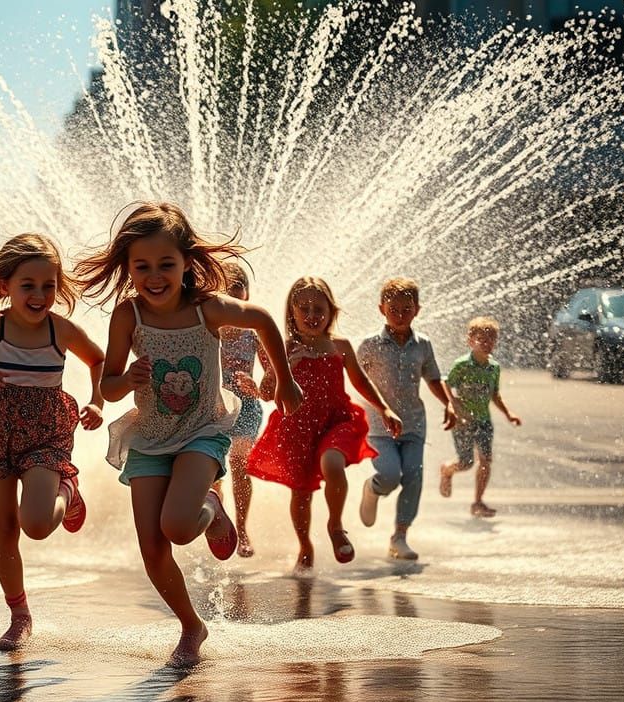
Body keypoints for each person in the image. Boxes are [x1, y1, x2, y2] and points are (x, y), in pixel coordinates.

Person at [75, 201, 303, 668]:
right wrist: (127, 380)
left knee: (177, 527)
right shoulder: (128, 316)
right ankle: (191, 626)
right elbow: (110, 384)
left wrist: (284, 379)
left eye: (166, 264)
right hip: (150, 437)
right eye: (142, 266)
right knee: (152, 548)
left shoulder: (207, 310)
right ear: (128, 268)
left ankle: (212, 505)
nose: (154, 276)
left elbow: (261, 319)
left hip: (202, 430)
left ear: (186, 264)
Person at [0, 230, 105, 652]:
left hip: (45, 434)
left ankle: (68, 488)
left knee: (35, 525)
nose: (39, 295)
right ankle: (19, 615)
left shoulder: (60, 330)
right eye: (27, 286)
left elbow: (98, 359)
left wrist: (97, 400)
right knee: (5, 527)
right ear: (5, 287)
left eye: (48, 286)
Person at [243, 276, 402, 575]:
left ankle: (336, 525)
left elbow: (360, 381)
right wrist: (288, 367)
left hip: (336, 421)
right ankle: (304, 545)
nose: (312, 315)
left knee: (332, 462)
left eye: (319, 309)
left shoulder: (339, 346)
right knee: (301, 494)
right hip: (297, 429)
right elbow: (267, 393)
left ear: (331, 312)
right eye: (304, 308)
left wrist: (384, 408)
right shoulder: (285, 348)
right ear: (291, 312)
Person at [356, 278, 456, 561]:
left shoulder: (422, 345)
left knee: (413, 476)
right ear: (381, 309)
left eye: (406, 309)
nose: (400, 315)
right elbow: (355, 379)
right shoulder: (369, 345)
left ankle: (399, 536)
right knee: (390, 475)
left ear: (417, 310)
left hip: (413, 423)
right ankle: (373, 488)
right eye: (394, 309)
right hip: (378, 425)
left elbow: (433, 378)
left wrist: (448, 404)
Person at [439, 316, 521, 516]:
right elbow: (445, 383)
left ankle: (478, 502)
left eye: (491, 340)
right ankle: (447, 470)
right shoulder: (463, 364)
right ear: (470, 341)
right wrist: (452, 402)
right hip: (463, 422)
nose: (487, 344)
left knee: (485, 461)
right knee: (466, 463)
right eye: (481, 339)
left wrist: (508, 413)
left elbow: (494, 394)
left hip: (484, 421)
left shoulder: (494, 367)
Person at [215, 262, 263, 557]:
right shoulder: (208, 331)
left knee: (240, 464)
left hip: (246, 406)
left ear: (246, 295)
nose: (231, 295)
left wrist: (257, 387)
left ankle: (242, 529)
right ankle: (217, 512)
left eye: (237, 289)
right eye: (225, 289)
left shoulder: (254, 333)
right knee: (213, 470)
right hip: (214, 407)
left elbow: (271, 380)